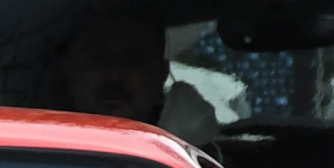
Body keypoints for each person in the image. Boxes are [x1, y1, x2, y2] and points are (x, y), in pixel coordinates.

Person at [52, 15, 222, 146]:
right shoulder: (33, 160)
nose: (115, 75)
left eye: (134, 60)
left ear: (161, 74)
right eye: (98, 58)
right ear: (67, 68)